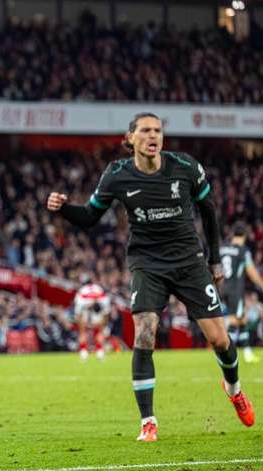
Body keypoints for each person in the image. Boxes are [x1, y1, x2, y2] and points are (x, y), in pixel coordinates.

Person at [47, 112, 255, 443]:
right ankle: (148, 421)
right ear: (130, 138)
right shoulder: (117, 175)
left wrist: (215, 261)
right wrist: (63, 208)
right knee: (144, 334)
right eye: (145, 130)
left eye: (157, 130)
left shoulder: (185, 167)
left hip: (190, 262)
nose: (153, 135)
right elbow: (89, 216)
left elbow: (209, 212)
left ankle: (234, 389)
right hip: (147, 264)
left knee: (219, 338)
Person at [220, 222, 263, 364]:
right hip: (235, 289)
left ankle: (248, 354)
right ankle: (226, 355)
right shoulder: (243, 251)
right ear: (244, 235)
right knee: (235, 320)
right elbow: (251, 271)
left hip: (223, 287)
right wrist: (261, 284)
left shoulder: (223, 249)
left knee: (242, 319)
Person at [73, 279, 112, 361]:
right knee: (99, 330)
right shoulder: (98, 288)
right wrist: (105, 322)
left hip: (84, 305)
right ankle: (99, 350)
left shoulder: (82, 290)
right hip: (98, 305)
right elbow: (106, 308)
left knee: (83, 331)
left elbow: (78, 307)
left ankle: (83, 351)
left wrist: (78, 320)